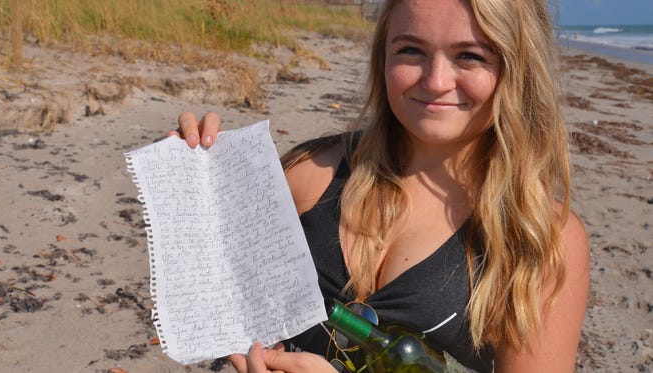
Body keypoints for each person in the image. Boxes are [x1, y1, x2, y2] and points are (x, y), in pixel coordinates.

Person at [168, 0, 590, 372]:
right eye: (411, 50)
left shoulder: (539, 235)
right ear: (382, 55)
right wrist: (190, 176)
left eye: (470, 56)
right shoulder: (311, 175)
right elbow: (208, 285)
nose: (436, 80)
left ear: (516, 67)